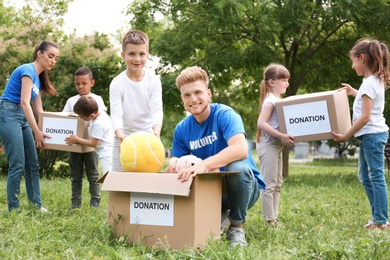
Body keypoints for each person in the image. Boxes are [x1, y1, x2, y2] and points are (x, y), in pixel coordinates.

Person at [165, 66, 266, 247]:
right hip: (208, 192)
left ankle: (236, 228)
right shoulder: (181, 129)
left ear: (209, 93)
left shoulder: (225, 115)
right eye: (187, 95)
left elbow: (240, 149)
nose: (193, 99)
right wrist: (173, 167)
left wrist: (203, 165)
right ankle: (217, 215)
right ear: (182, 98)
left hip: (243, 189)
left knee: (238, 168)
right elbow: (179, 167)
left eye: (198, 92)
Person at [332, 38, 390, 230]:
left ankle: (381, 221)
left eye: (353, 61)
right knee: (366, 177)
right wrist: (353, 92)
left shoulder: (369, 84)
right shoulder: (371, 82)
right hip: (371, 135)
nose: (352, 65)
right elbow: (368, 101)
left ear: (362, 58)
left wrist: (345, 136)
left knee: (376, 177)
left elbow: (365, 117)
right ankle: (378, 217)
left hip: (372, 135)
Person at [0, 41, 60, 212]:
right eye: (50, 56)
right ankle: (14, 208)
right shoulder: (27, 70)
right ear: (39, 54)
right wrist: (37, 132)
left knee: (32, 163)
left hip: (21, 116)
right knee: (18, 163)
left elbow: (39, 110)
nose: (53, 61)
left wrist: (48, 130)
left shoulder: (38, 80)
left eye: (56, 58)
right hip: (8, 113)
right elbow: (25, 103)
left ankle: (36, 204)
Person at [109, 29, 163, 171]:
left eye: (141, 54)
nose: (137, 59)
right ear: (123, 55)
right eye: (131, 54)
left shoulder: (154, 81)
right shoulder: (117, 83)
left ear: (147, 55)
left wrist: (156, 133)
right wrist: (121, 138)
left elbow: (157, 110)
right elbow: (116, 113)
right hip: (123, 137)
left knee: (146, 183)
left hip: (147, 138)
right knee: (120, 183)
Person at [62, 67, 107, 209]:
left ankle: (95, 200)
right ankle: (75, 202)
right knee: (76, 176)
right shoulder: (71, 101)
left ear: (91, 83)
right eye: (77, 84)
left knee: (93, 175)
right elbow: (63, 118)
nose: (80, 87)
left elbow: (101, 117)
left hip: (90, 144)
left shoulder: (97, 99)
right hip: (74, 143)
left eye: (84, 83)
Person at [256, 64, 295, 226]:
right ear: (272, 82)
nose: (286, 84)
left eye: (287, 80)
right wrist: (281, 136)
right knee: (269, 184)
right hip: (268, 145)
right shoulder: (270, 102)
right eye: (283, 80)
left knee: (278, 183)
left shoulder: (277, 100)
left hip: (276, 146)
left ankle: (274, 217)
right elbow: (261, 123)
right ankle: (269, 220)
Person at [65, 96, 114, 176]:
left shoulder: (98, 124)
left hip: (107, 156)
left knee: (110, 181)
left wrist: (77, 139)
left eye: (82, 117)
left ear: (92, 116)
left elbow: (94, 143)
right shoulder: (100, 112)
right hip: (108, 153)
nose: (81, 119)